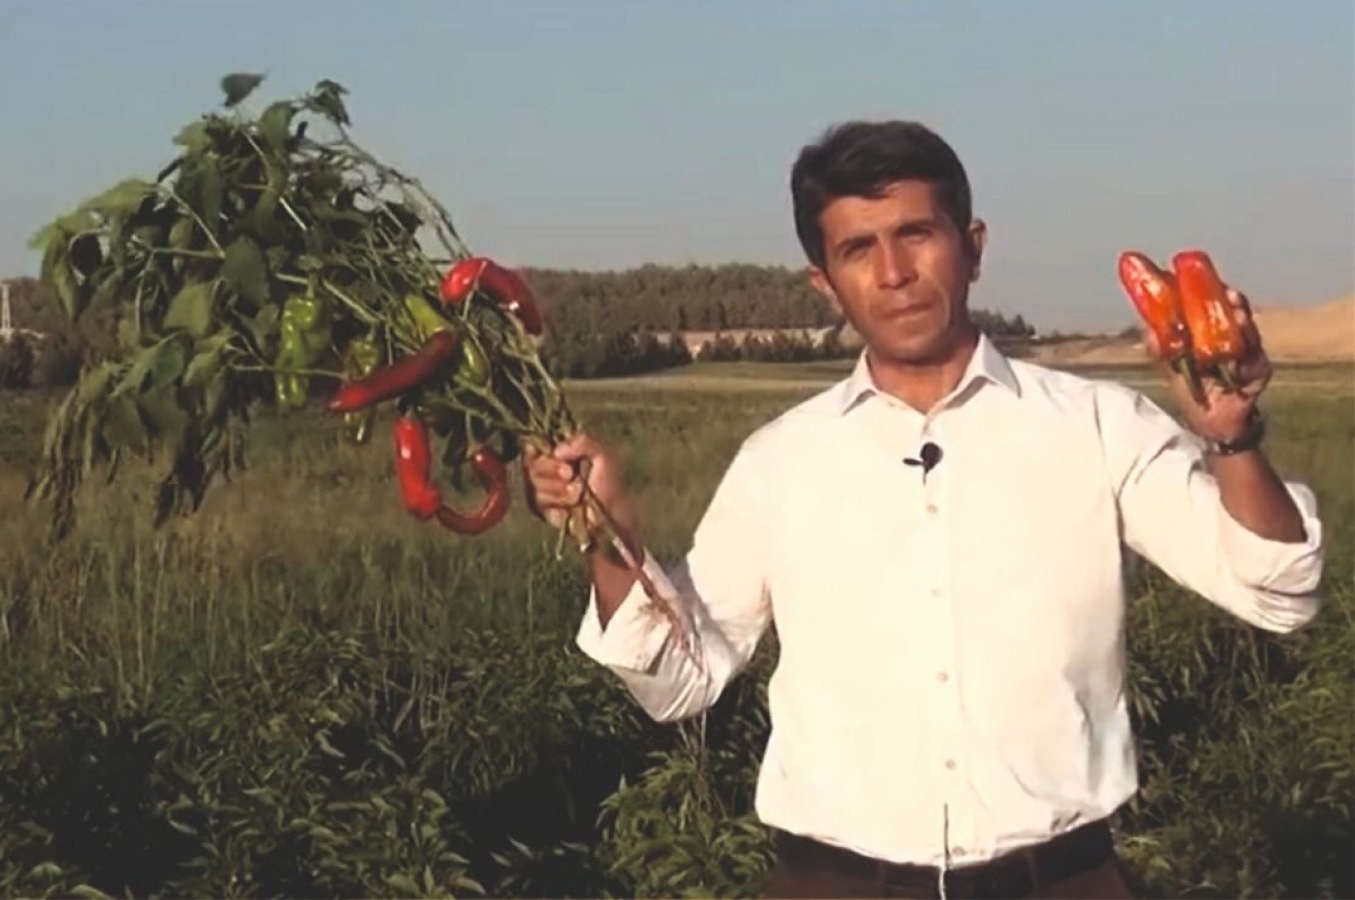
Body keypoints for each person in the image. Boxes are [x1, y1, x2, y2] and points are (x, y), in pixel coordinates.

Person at [522, 120, 1325, 899]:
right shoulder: (782, 460)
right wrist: (608, 536)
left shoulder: (1096, 426)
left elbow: (1277, 592)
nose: (893, 272)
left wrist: (1232, 438)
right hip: (831, 883)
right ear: (823, 281)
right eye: (856, 249)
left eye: (916, 234)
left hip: (1061, 879)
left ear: (971, 246)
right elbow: (678, 680)